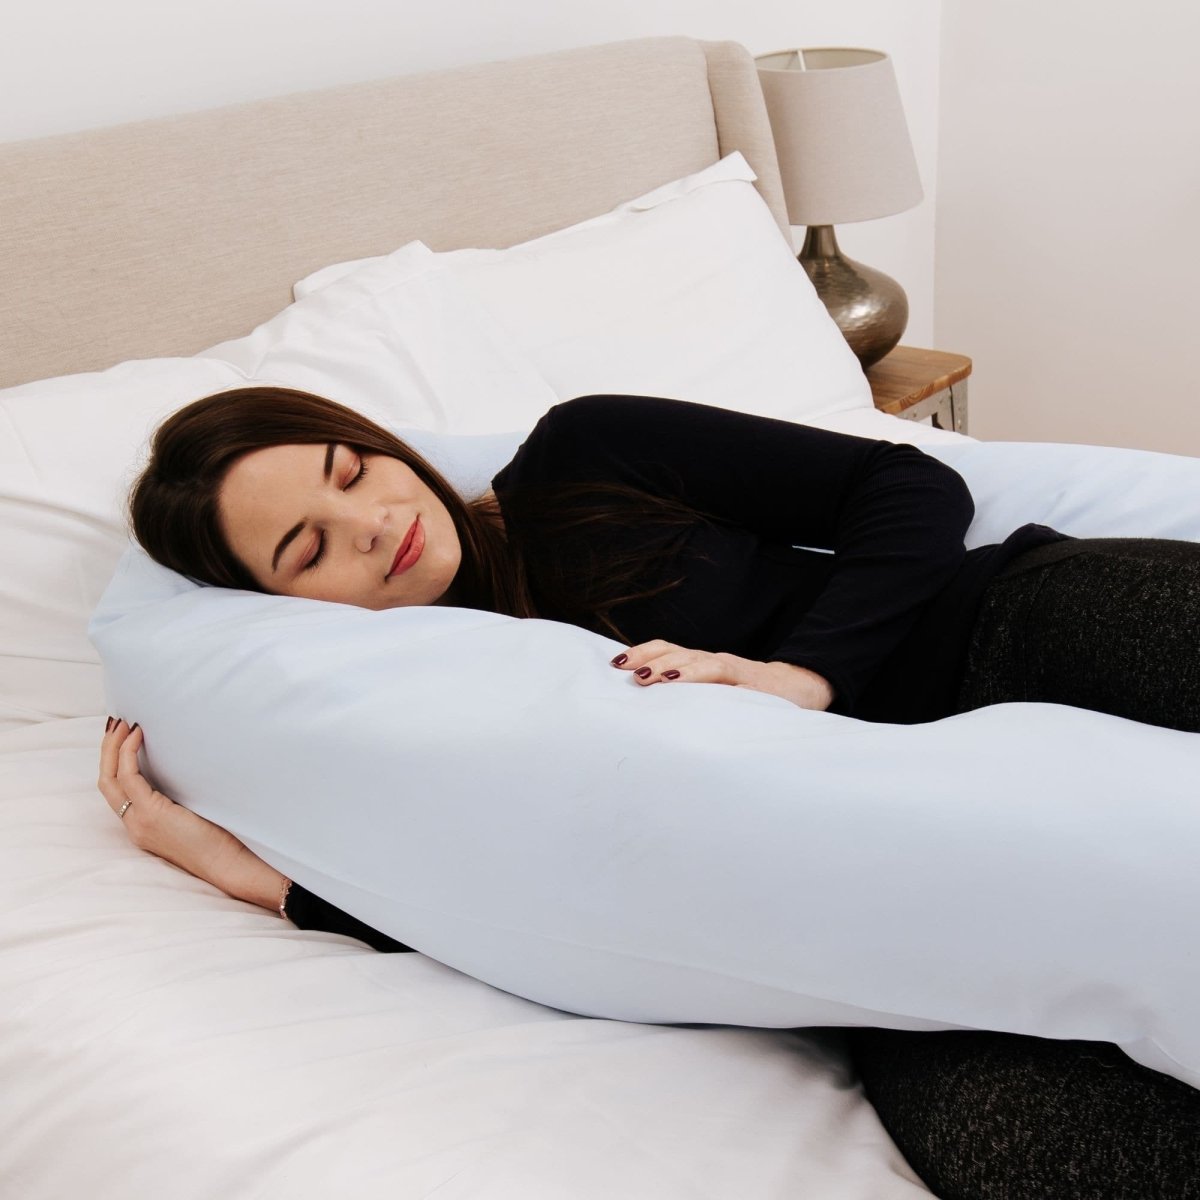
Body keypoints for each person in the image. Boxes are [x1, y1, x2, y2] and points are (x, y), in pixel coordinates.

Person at [99, 385, 1200, 1199]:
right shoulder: (417, 720)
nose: (377, 524)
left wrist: (801, 676)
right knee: (1031, 1154)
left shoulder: (581, 453)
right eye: (309, 550)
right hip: (872, 921)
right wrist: (275, 889)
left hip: (1003, 629)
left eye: (352, 473)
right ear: (280, 612)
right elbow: (528, 912)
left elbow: (907, 485)